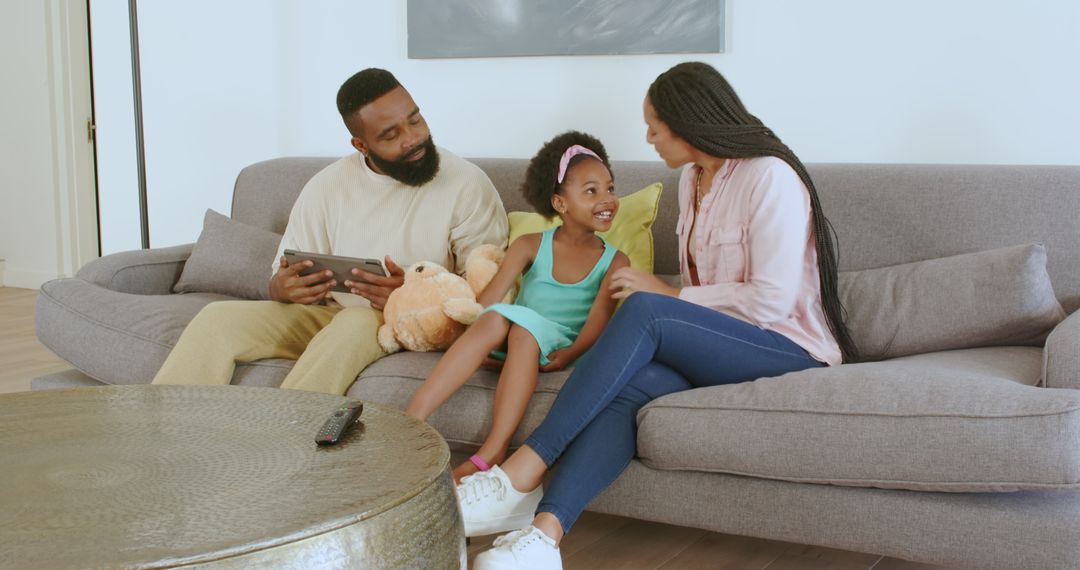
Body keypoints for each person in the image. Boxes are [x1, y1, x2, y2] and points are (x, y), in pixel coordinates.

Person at [462, 62, 861, 570]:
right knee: (634, 386)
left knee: (648, 308)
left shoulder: (769, 176)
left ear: (687, 122)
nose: (648, 137)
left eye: (655, 125)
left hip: (788, 346)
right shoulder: (690, 181)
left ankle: (521, 472)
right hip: (719, 345)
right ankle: (544, 536)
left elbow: (772, 302)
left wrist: (667, 294)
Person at [152, 68, 508, 395]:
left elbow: (492, 290)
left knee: (354, 322)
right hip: (326, 312)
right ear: (361, 145)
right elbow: (283, 272)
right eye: (391, 135)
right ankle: (163, 433)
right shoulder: (328, 185)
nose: (413, 138)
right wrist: (283, 287)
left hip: (396, 322)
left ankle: (285, 433)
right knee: (216, 319)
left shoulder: (466, 184)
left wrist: (409, 295)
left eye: (415, 120)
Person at [405, 131, 630, 483]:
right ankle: (411, 420)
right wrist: (473, 337)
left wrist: (569, 355)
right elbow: (488, 301)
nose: (607, 199)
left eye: (610, 188)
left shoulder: (615, 261)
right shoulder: (529, 245)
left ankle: (493, 449)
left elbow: (598, 322)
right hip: (518, 339)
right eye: (591, 191)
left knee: (522, 327)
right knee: (495, 319)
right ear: (560, 203)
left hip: (564, 345)